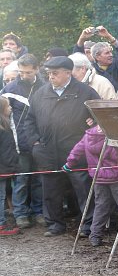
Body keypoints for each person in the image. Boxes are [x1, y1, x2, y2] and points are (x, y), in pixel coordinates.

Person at [23, 56, 100, 237]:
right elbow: (29, 121)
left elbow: (100, 116)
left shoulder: (86, 92)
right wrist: (35, 143)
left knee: (83, 188)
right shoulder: (40, 94)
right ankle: (54, 224)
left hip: (77, 150)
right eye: (49, 73)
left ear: (68, 73)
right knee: (50, 190)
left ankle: (88, 225)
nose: (51, 77)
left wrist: (93, 125)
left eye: (55, 73)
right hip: (47, 150)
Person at [64, 125, 118, 246]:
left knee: (101, 207)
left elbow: (77, 150)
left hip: (98, 177)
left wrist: (69, 164)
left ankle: (95, 236)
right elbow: (116, 156)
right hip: (116, 176)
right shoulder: (112, 134)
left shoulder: (88, 135)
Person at [1, 54, 45, 228]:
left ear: (36, 69)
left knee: (39, 179)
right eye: (21, 72)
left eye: (28, 72)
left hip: (40, 141)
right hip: (19, 142)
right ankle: (20, 213)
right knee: (21, 180)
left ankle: (38, 211)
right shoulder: (10, 88)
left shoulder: (45, 86)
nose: (24, 75)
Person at [0, 96, 20, 235]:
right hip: (2, 169)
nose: (11, 108)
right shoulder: (3, 129)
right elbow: (7, 152)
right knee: (0, 196)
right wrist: (12, 168)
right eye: (8, 106)